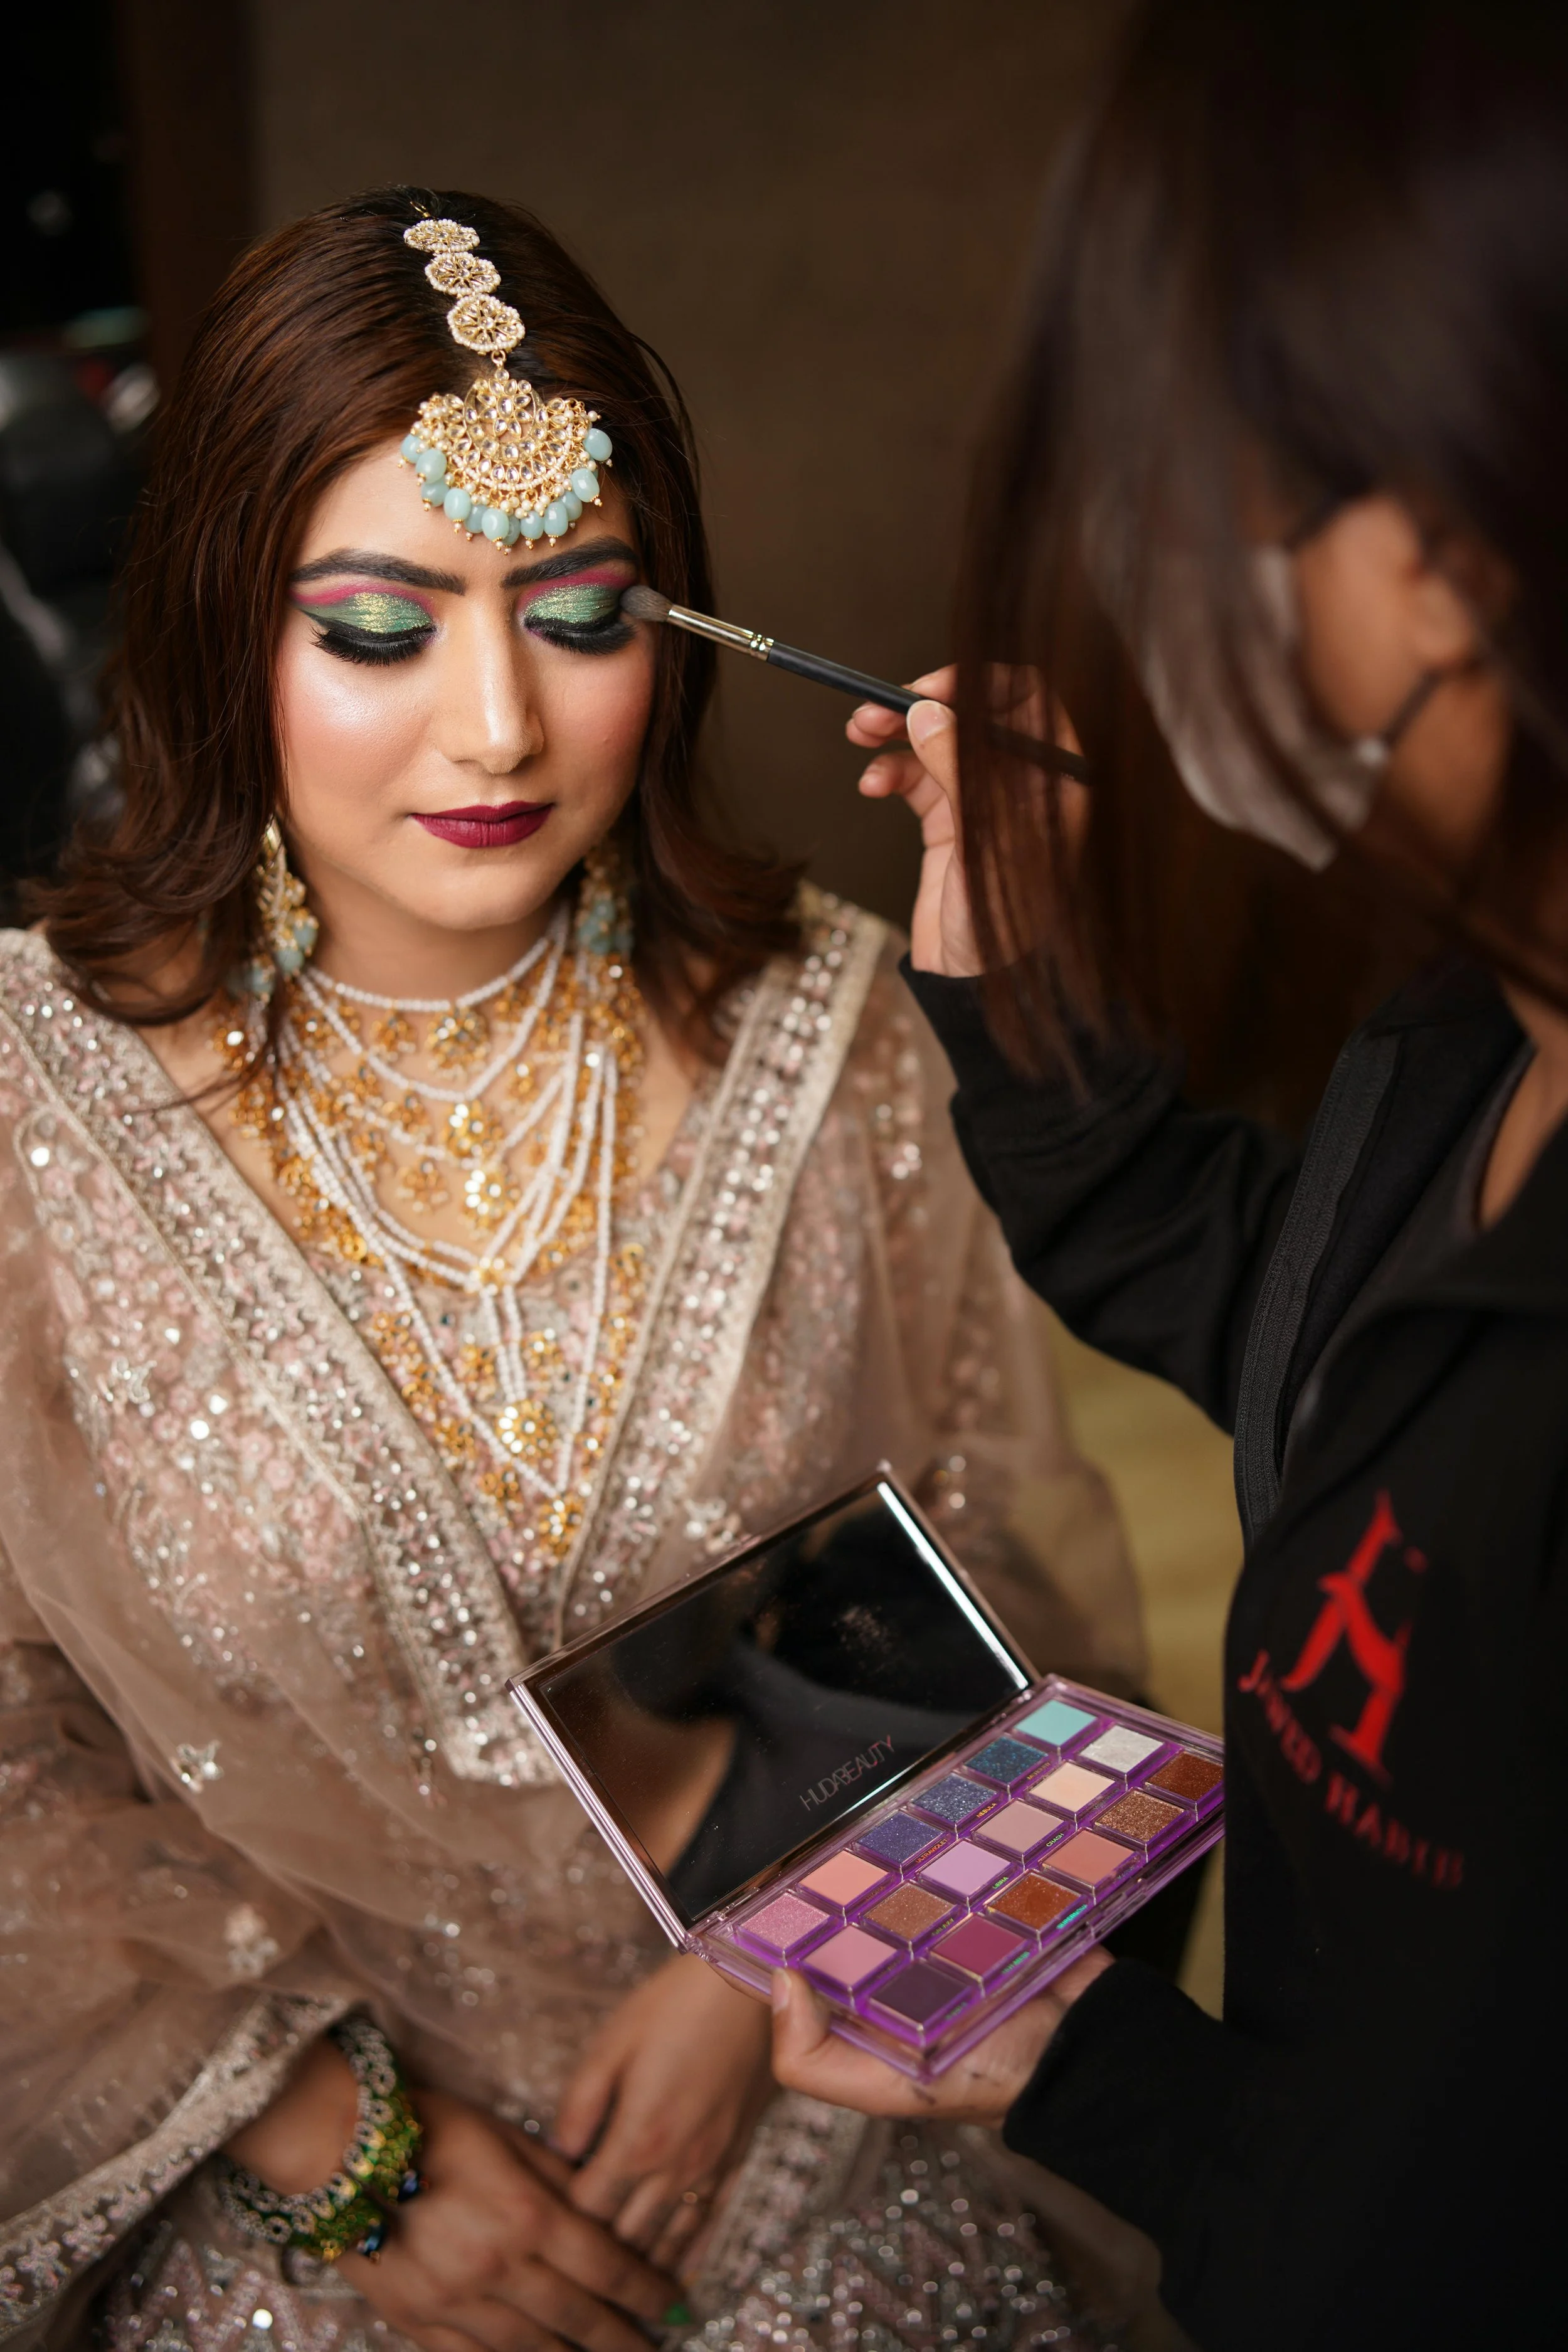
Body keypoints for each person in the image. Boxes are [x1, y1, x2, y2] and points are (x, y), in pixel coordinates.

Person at [0, 188, 1145, 2352]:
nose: (501, 725)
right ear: (221, 628)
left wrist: (761, 1959)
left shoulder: (826, 1029)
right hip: (276, 2157)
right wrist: (338, 2148)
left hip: (801, 2095)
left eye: (582, 610)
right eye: (378, 627)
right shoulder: (26, 1103)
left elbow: (979, 1554)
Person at [770, 3, 1568, 2346]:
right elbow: (1298, 1342)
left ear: (1443, 539)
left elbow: (1457, 2221)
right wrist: (1024, 991)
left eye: (1195, 476)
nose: (1149, 565)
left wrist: (1123, 2096)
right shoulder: (1460, 1020)